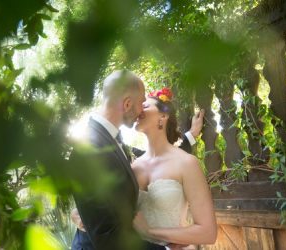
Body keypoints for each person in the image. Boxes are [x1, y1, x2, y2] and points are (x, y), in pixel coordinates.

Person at [71, 70, 165, 250]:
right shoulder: (91, 148)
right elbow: (108, 237)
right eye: (141, 102)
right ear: (127, 103)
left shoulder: (110, 140)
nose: (142, 110)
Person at [132, 88, 217, 249]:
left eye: (145, 105)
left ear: (163, 116)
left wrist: (149, 231)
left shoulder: (187, 163)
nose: (138, 109)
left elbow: (208, 232)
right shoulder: (133, 167)